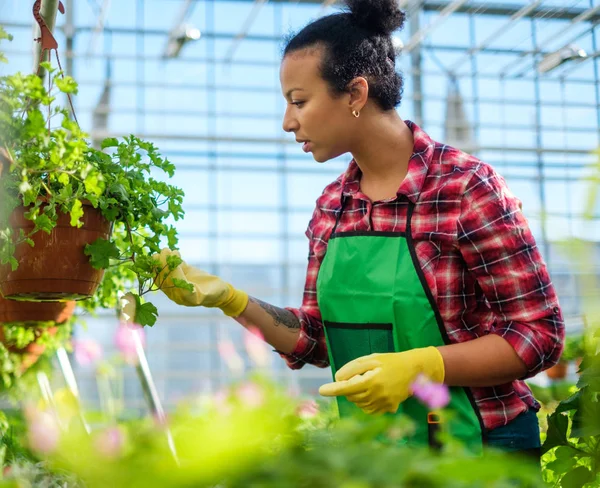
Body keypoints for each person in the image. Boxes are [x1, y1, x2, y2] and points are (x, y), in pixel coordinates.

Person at [155, 0, 564, 458]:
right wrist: (232, 300)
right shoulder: (333, 206)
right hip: (380, 451)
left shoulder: (465, 187)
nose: (288, 122)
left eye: (299, 102)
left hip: (485, 445)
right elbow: (319, 339)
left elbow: (539, 336)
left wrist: (420, 366)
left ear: (355, 94)